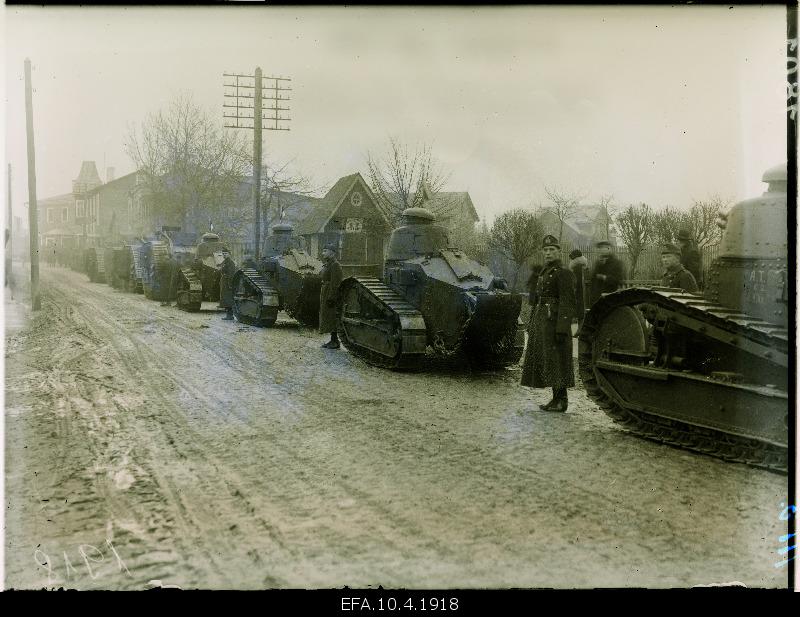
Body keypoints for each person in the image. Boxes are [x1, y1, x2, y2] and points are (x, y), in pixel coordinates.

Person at [520, 235, 576, 413]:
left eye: (552, 249)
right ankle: (555, 399)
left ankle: (562, 400)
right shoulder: (544, 272)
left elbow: (567, 302)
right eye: (545, 250)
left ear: (559, 252)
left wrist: (562, 328)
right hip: (543, 320)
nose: (548, 253)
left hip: (554, 321)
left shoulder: (564, 273)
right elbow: (535, 299)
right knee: (549, 359)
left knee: (557, 359)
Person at [319, 243, 343, 349]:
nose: (322, 253)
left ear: (332, 253)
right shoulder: (328, 264)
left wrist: (331, 297)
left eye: (325, 251)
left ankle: (335, 341)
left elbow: (336, 283)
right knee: (327, 316)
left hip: (330, 293)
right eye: (323, 251)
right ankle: (332, 340)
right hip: (325, 291)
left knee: (332, 316)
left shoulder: (335, 265)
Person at [588, 240, 624, 306]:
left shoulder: (617, 263)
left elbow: (618, 279)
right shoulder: (598, 263)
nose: (601, 250)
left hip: (610, 296)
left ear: (609, 249)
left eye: (603, 248)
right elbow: (593, 278)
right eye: (600, 248)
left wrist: (604, 277)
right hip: (597, 297)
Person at [568, 248, 588, 326]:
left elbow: (576, 280)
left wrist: (574, 288)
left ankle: (580, 326)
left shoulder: (577, 266)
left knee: (579, 306)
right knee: (582, 306)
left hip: (578, 289)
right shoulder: (582, 265)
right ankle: (581, 325)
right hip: (584, 288)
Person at [218, 250, 237, 320]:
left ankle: (230, 315)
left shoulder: (230, 263)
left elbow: (231, 274)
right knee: (225, 298)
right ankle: (228, 315)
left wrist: (230, 284)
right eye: (223, 253)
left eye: (226, 253)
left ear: (229, 254)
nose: (224, 255)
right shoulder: (225, 262)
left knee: (228, 298)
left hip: (228, 283)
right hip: (224, 282)